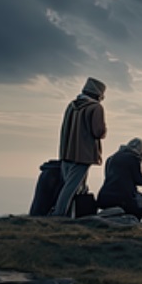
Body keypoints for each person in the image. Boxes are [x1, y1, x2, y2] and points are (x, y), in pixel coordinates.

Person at [53, 77, 107, 217]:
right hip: (84, 155)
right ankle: (59, 215)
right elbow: (98, 132)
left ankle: (73, 215)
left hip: (67, 153)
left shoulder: (72, 105)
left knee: (73, 186)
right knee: (71, 188)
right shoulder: (95, 108)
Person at [96, 137, 142, 221]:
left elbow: (107, 176)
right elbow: (141, 181)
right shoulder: (133, 159)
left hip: (104, 197)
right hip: (122, 199)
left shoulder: (111, 158)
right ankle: (133, 222)